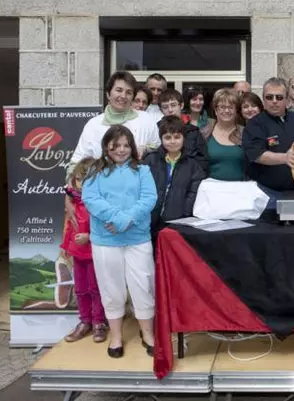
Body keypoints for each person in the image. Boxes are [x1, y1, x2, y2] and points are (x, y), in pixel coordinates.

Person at [81, 125, 158, 359]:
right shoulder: (95, 170)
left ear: (132, 147)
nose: (121, 150)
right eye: (116, 145)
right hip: (105, 240)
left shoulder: (142, 170)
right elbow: (90, 198)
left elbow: (149, 198)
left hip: (137, 237)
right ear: (107, 146)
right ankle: (115, 336)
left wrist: (126, 220)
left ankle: (148, 334)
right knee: (110, 288)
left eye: (126, 145)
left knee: (143, 284)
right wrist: (116, 218)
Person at [69, 71, 160, 173]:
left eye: (129, 92)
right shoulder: (93, 124)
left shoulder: (145, 119)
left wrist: (146, 149)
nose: (123, 96)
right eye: (119, 90)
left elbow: (159, 149)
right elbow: (78, 162)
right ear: (108, 94)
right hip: (101, 183)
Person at [242, 77, 294, 207]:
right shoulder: (254, 124)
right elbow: (256, 154)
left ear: (287, 99)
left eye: (279, 97)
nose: (274, 101)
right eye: (269, 97)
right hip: (267, 194)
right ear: (263, 99)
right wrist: (285, 158)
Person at [59, 157, 107, 344]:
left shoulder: (98, 204)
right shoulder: (72, 204)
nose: (82, 185)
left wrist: (89, 236)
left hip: (95, 252)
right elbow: (69, 227)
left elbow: (106, 227)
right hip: (78, 253)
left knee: (96, 288)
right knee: (80, 289)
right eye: (79, 180)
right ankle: (84, 321)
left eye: (88, 180)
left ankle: (99, 322)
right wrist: (65, 247)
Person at [143, 116, 206, 250]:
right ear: (161, 139)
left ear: (184, 138)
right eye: (167, 137)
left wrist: (184, 213)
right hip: (148, 220)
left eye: (177, 137)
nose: (172, 142)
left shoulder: (193, 165)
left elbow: (193, 193)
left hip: (176, 222)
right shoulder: (150, 160)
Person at [201, 88, 246, 181]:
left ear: (236, 110)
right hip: (211, 189)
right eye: (222, 107)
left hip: (241, 189)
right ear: (215, 110)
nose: (226, 110)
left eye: (230, 107)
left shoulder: (245, 133)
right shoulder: (204, 133)